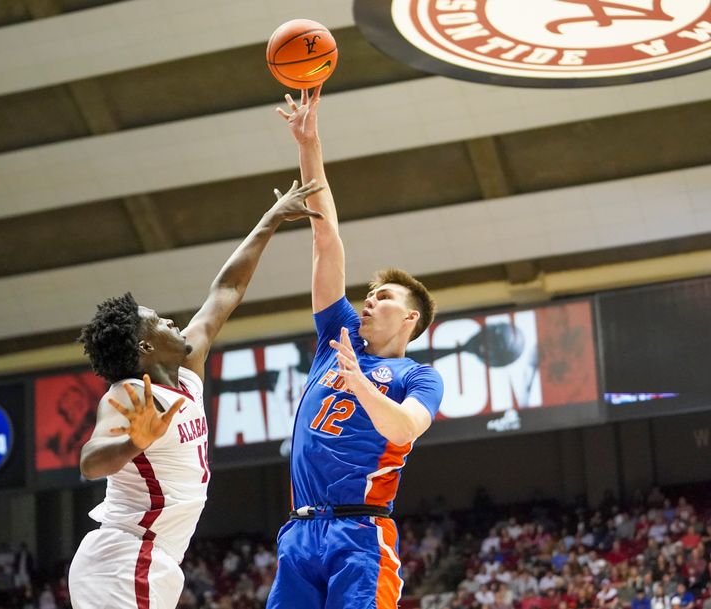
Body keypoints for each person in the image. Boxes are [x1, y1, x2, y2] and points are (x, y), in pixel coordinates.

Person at [68, 180, 324, 609]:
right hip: (125, 556)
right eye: (158, 320)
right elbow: (90, 462)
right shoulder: (129, 395)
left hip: (153, 558)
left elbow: (226, 291)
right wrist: (134, 442)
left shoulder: (187, 371)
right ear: (145, 347)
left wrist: (272, 218)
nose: (170, 320)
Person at [266, 86, 444, 609]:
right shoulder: (336, 337)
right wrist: (308, 144)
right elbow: (326, 239)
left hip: (360, 533)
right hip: (298, 535)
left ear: (410, 317)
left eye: (382, 297)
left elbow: (404, 429)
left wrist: (361, 384)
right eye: (368, 294)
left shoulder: (420, 376)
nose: (368, 301)